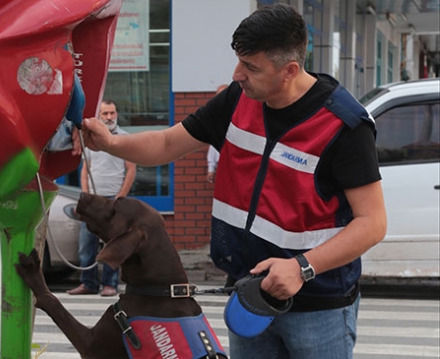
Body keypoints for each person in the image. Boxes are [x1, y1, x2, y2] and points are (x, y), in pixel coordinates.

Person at [73, 4, 386, 358]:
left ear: (289, 70)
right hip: (249, 295)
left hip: (318, 305)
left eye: (251, 67)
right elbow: (166, 143)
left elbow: (372, 223)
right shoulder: (238, 99)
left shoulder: (343, 126)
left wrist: (302, 267)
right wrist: (112, 143)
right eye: (238, 61)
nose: (238, 74)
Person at [67, 100, 136, 297]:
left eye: (112, 113)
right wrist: (86, 195)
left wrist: (120, 197)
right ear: (99, 116)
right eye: (105, 114)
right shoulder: (90, 139)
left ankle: (110, 284)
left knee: (112, 244)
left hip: (113, 199)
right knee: (86, 244)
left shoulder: (124, 138)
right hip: (93, 200)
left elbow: (131, 169)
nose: (109, 117)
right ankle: (88, 283)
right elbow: (85, 170)